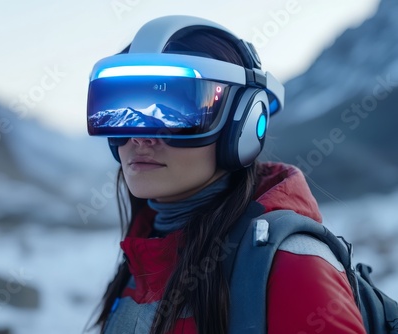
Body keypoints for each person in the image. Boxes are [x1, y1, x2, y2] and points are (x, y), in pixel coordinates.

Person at [86, 15, 366, 334]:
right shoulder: (142, 257)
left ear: (243, 126)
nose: (139, 137)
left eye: (177, 111)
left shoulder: (289, 267)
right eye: (120, 111)